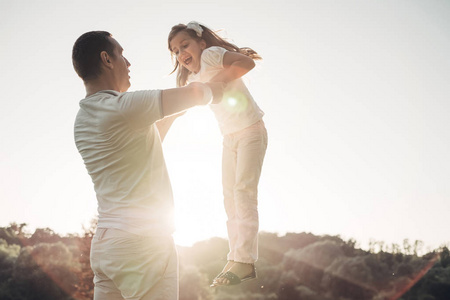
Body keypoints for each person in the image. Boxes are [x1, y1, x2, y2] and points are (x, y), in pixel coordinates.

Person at [72, 31, 223, 300]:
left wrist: (179, 106)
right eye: (121, 54)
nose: (128, 63)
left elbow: (145, 140)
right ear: (106, 59)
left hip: (107, 246)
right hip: (143, 245)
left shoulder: (83, 120)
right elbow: (201, 94)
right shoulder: (124, 108)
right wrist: (225, 75)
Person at [168, 21, 268, 287]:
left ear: (201, 43)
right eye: (175, 51)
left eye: (184, 45)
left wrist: (218, 82)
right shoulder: (190, 78)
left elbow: (246, 62)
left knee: (243, 191)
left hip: (251, 131)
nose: (181, 54)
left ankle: (245, 261)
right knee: (229, 197)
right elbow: (177, 108)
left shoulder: (212, 56)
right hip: (229, 138)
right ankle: (235, 256)